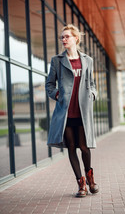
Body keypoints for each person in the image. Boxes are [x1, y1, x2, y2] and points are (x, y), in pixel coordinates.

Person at [46, 24, 99, 197]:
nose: (64, 40)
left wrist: (92, 93)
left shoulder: (87, 60)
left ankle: (90, 178)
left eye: (67, 36)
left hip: (82, 111)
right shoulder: (57, 60)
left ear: (76, 38)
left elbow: (92, 84)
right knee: (71, 147)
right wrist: (57, 95)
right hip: (66, 112)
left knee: (83, 147)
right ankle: (81, 184)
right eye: (62, 37)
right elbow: (49, 85)